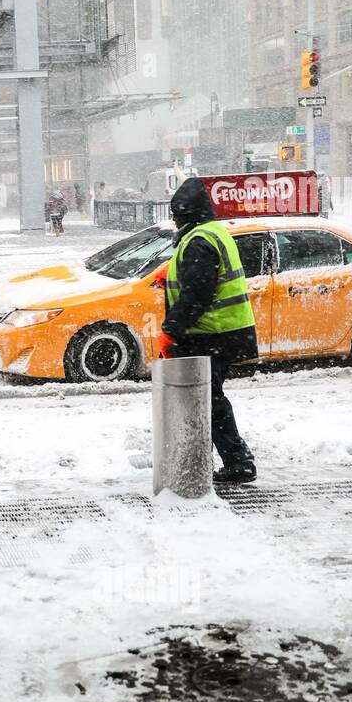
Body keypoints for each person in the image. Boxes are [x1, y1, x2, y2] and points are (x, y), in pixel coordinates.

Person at [156, 178, 257, 484]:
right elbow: (200, 275)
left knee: (209, 400)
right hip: (225, 332)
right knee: (209, 398)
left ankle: (236, 461)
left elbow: (197, 295)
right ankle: (221, 457)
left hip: (213, 333)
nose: (174, 221)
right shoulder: (211, 232)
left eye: (177, 215)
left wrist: (170, 331)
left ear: (187, 214)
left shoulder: (198, 240)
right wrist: (172, 270)